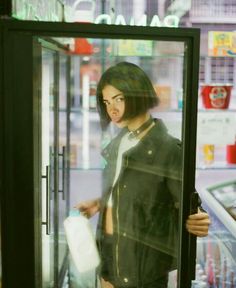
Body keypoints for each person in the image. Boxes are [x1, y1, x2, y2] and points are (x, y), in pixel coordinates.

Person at [75, 62, 210, 288]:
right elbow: (134, 190)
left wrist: (200, 220)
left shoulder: (169, 150)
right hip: (109, 264)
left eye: (118, 99)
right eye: (107, 102)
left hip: (142, 275)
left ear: (138, 94)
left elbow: (188, 206)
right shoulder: (119, 143)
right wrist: (100, 203)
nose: (112, 109)